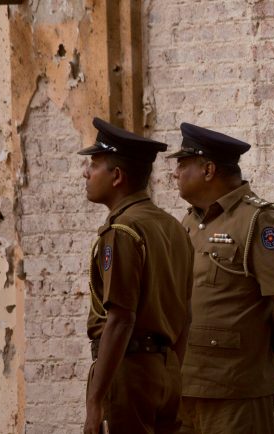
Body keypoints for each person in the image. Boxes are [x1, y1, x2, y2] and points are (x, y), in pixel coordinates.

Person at [169, 123, 274, 434]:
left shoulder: (259, 221)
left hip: (236, 387)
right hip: (187, 383)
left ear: (208, 170)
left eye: (182, 164)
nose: (176, 174)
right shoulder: (191, 222)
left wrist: (264, 348)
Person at [80, 117, 194, 434]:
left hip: (128, 373)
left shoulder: (122, 231)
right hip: (166, 370)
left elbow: (120, 320)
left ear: (117, 176)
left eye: (94, 164)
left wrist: (94, 402)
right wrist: (171, 368)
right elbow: (186, 313)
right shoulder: (173, 227)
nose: (85, 173)